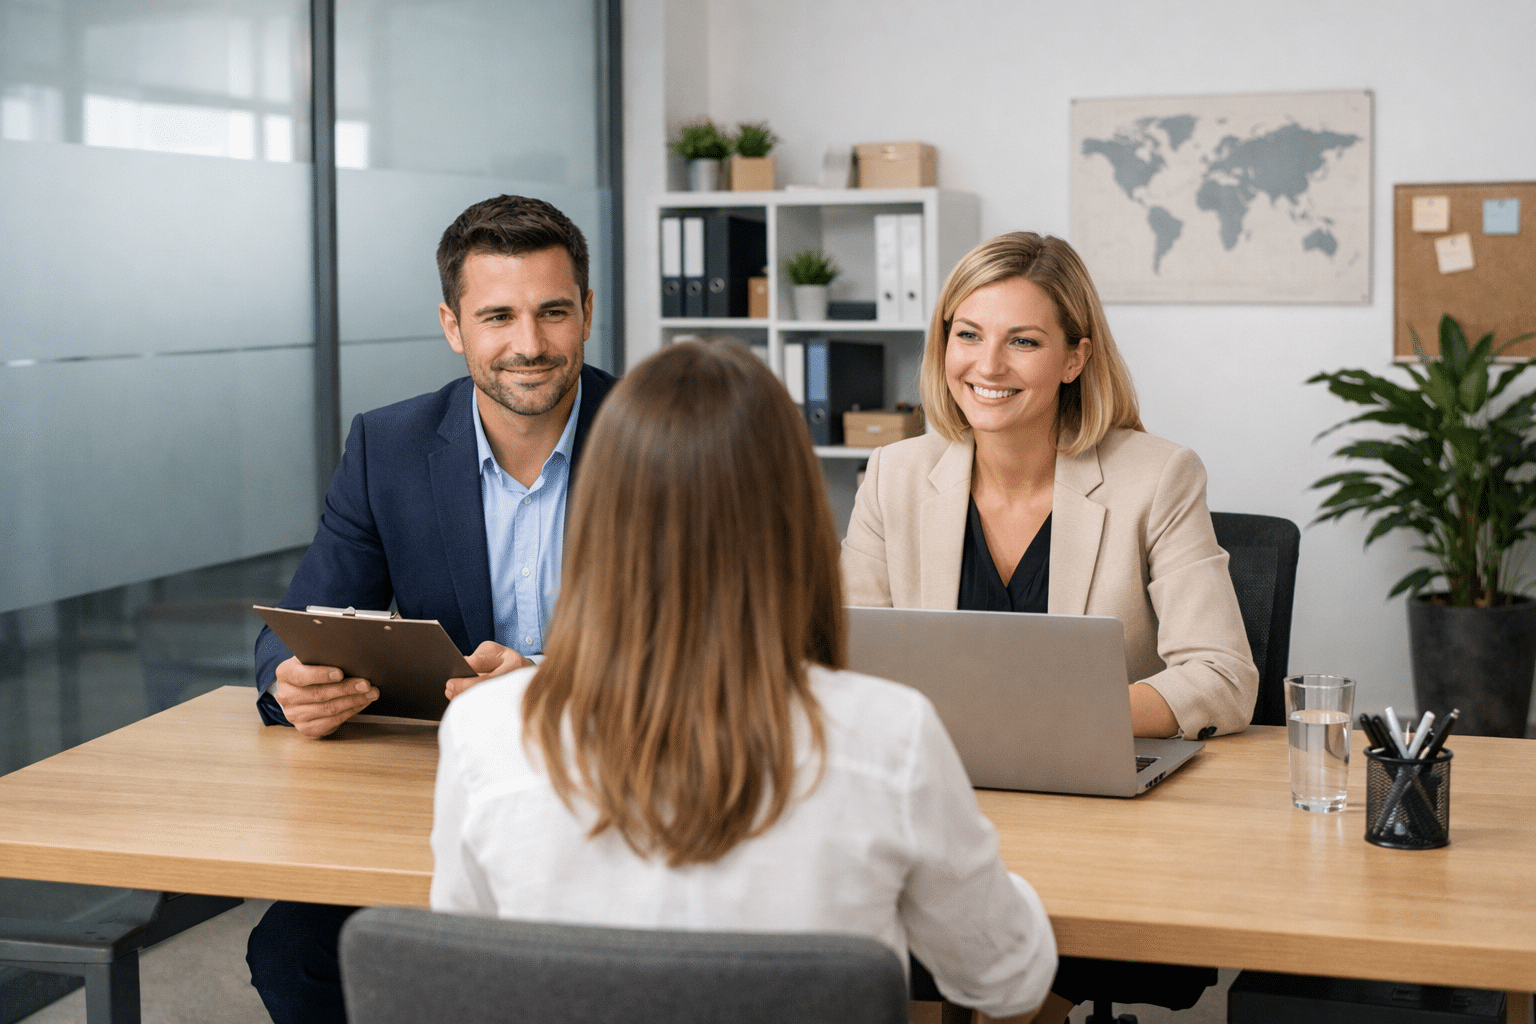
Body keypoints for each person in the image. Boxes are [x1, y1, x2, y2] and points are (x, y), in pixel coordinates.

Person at [431, 341, 1058, 1022]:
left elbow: (467, 972)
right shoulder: (889, 736)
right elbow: (1006, 982)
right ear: (796, 518)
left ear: (598, 516)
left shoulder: (484, 732)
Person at [839, 231, 1257, 1021]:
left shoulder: (1156, 476)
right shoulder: (895, 475)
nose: (988, 366)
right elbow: (844, 659)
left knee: (998, 982)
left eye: (1023, 341)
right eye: (968, 335)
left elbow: (1223, 676)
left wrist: (1059, 720)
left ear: (1074, 358)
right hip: (935, 806)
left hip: (1096, 825)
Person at [246, 194, 617, 1024]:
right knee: (294, 955)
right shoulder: (389, 446)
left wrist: (544, 682)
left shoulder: (662, 435)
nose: (529, 344)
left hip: (619, 777)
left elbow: (726, 644)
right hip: (451, 791)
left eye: (554, 312)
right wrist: (292, 681)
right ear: (453, 326)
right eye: (498, 316)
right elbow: (296, 625)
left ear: (588, 314)